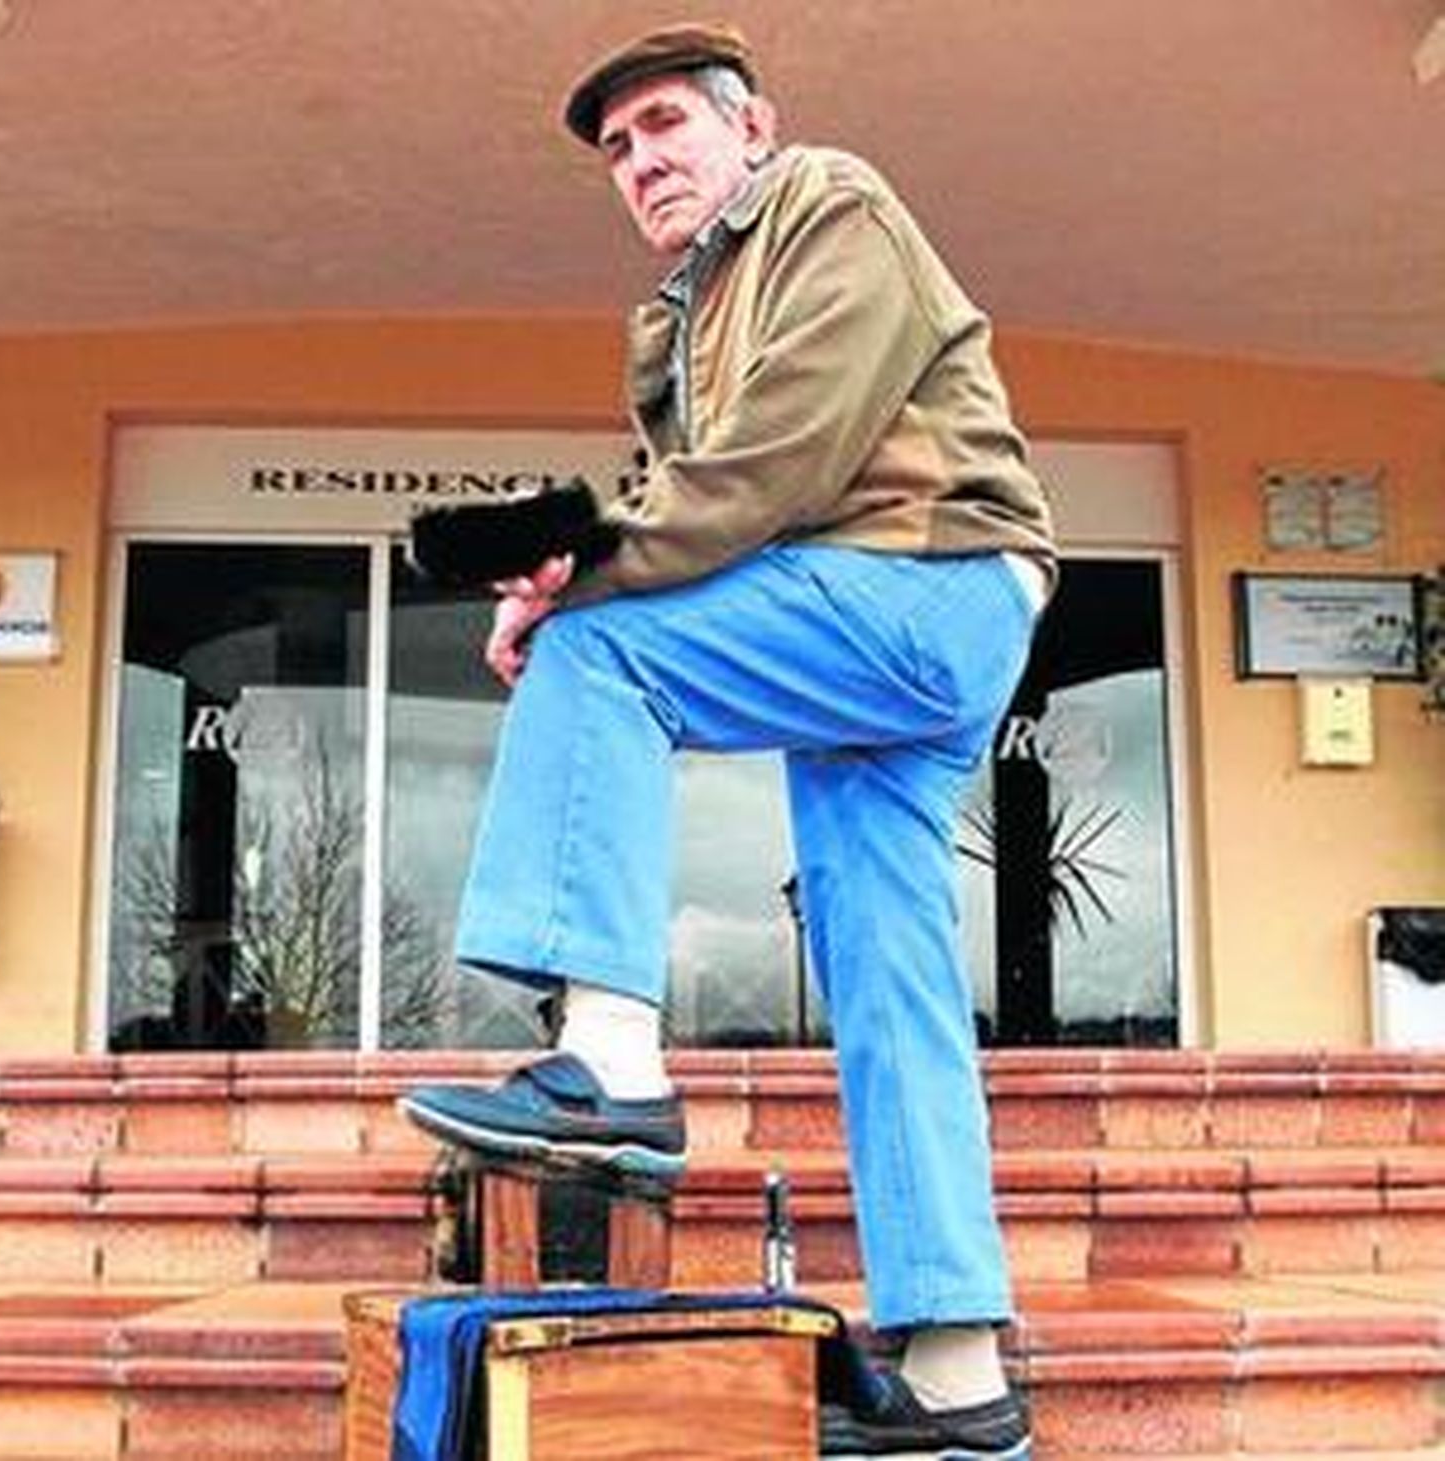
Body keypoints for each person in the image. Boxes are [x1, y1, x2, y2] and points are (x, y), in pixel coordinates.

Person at [401, 21, 1054, 1459]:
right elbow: (692, 498)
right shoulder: (680, 319)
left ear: (751, 126)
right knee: (890, 975)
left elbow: (775, 464)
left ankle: (614, 1066)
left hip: (927, 581)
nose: (640, 162)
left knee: (604, 653)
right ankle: (961, 1381)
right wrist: (561, 576)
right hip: (880, 617)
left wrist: (573, 595)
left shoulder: (829, 200)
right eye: (617, 149)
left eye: (666, 126)